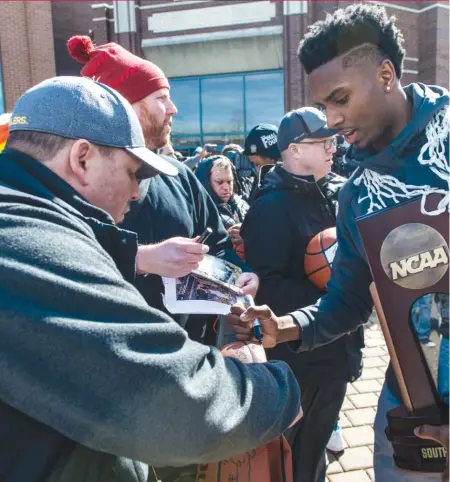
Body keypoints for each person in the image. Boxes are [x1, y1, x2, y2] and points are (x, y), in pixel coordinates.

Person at [0, 76, 301, 482]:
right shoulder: (25, 240)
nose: (138, 194)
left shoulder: (27, 217)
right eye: (133, 173)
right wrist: (273, 388)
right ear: (82, 158)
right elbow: (170, 405)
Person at [227, 4, 449, 481]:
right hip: (414, 400)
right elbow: (347, 299)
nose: (332, 119)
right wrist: (285, 327)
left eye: (341, 98)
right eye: (324, 104)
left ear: (386, 73)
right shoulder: (359, 193)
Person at [67, 36, 258, 339]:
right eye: (160, 98)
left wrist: (240, 275)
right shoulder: (74, 181)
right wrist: (141, 259)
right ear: (123, 108)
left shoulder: (179, 176)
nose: (173, 108)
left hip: (192, 357)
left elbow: (218, 246)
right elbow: (56, 262)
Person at [240, 107, 360, 482]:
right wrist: (334, 292)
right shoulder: (270, 207)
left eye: (333, 140)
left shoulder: (342, 193)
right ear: (292, 150)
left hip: (338, 351)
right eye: (322, 142)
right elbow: (268, 288)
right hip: (298, 361)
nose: (331, 148)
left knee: (316, 451)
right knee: (292, 458)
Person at [195, 155, 249, 243]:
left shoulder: (242, 204)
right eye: (219, 182)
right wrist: (226, 238)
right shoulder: (200, 212)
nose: (226, 187)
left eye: (229, 181)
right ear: (205, 183)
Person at [241, 124, 282, 203]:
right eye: (252, 164)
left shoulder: (290, 188)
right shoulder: (259, 182)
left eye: (257, 164)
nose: (255, 169)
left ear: (273, 159)